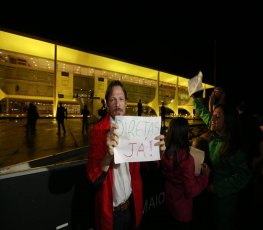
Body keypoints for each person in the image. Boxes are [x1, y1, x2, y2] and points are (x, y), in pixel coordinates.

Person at [85, 80, 166, 230]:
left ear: (126, 103)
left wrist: (157, 154)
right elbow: (93, 179)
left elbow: (150, 169)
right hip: (111, 215)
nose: (117, 104)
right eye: (113, 99)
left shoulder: (136, 128)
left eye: (121, 99)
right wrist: (108, 155)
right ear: (107, 104)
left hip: (132, 208)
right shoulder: (97, 131)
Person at [191, 92, 251, 230]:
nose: (212, 119)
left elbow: (244, 176)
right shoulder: (216, 133)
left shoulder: (233, 146)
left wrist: (217, 187)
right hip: (212, 190)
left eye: (217, 117)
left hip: (225, 198)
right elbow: (206, 115)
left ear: (227, 122)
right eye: (214, 115)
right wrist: (195, 99)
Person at [160, 117, 210, 230]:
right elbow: (191, 191)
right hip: (182, 210)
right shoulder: (187, 159)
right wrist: (205, 177)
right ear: (184, 133)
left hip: (169, 204)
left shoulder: (164, 153)